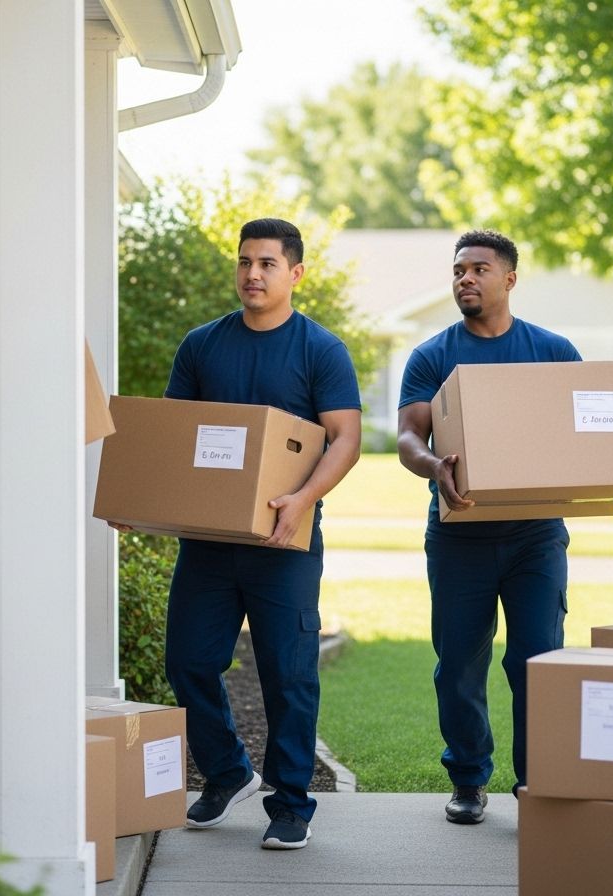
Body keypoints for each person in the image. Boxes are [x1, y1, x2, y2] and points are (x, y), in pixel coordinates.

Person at [396, 229, 613, 824]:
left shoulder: (552, 351)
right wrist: (433, 465)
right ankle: (468, 779)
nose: (465, 279)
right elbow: (408, 436)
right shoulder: (433, 355)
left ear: (509, 279)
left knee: (538, 660)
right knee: (458, 664)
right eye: (458, 270)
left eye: (479, 269)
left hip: (535, 537)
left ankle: (537, 785)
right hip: (460, 535)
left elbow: (592, 432)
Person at [159, 218, 361, 849]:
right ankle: (226, 772)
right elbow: (172, 436)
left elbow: (345, 439)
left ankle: (292, 802)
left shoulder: (318, 350)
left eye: (267, 263)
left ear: (295, 273)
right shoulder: (202, 345)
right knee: (187, 660)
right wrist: (146, 504)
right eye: (245, 262)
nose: (252, 274)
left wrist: (302, 500)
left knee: (288, 672)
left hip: (284, 540)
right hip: (211, 541)